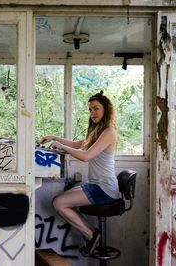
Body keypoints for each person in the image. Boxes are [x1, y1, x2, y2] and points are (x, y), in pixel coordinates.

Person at [40, 90, 120, 256]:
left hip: (105, 189)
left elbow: (86, 156)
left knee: (59, 203)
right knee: (59, 200)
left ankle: (91, 234)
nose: (92, 113)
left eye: (96, 108)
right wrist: (54, 137)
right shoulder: (98, 130)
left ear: (106, 109)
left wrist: (61, 147)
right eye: (90, 110)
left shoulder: (109, 131)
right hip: (95, 185)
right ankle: (91, 233)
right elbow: (77, 145)